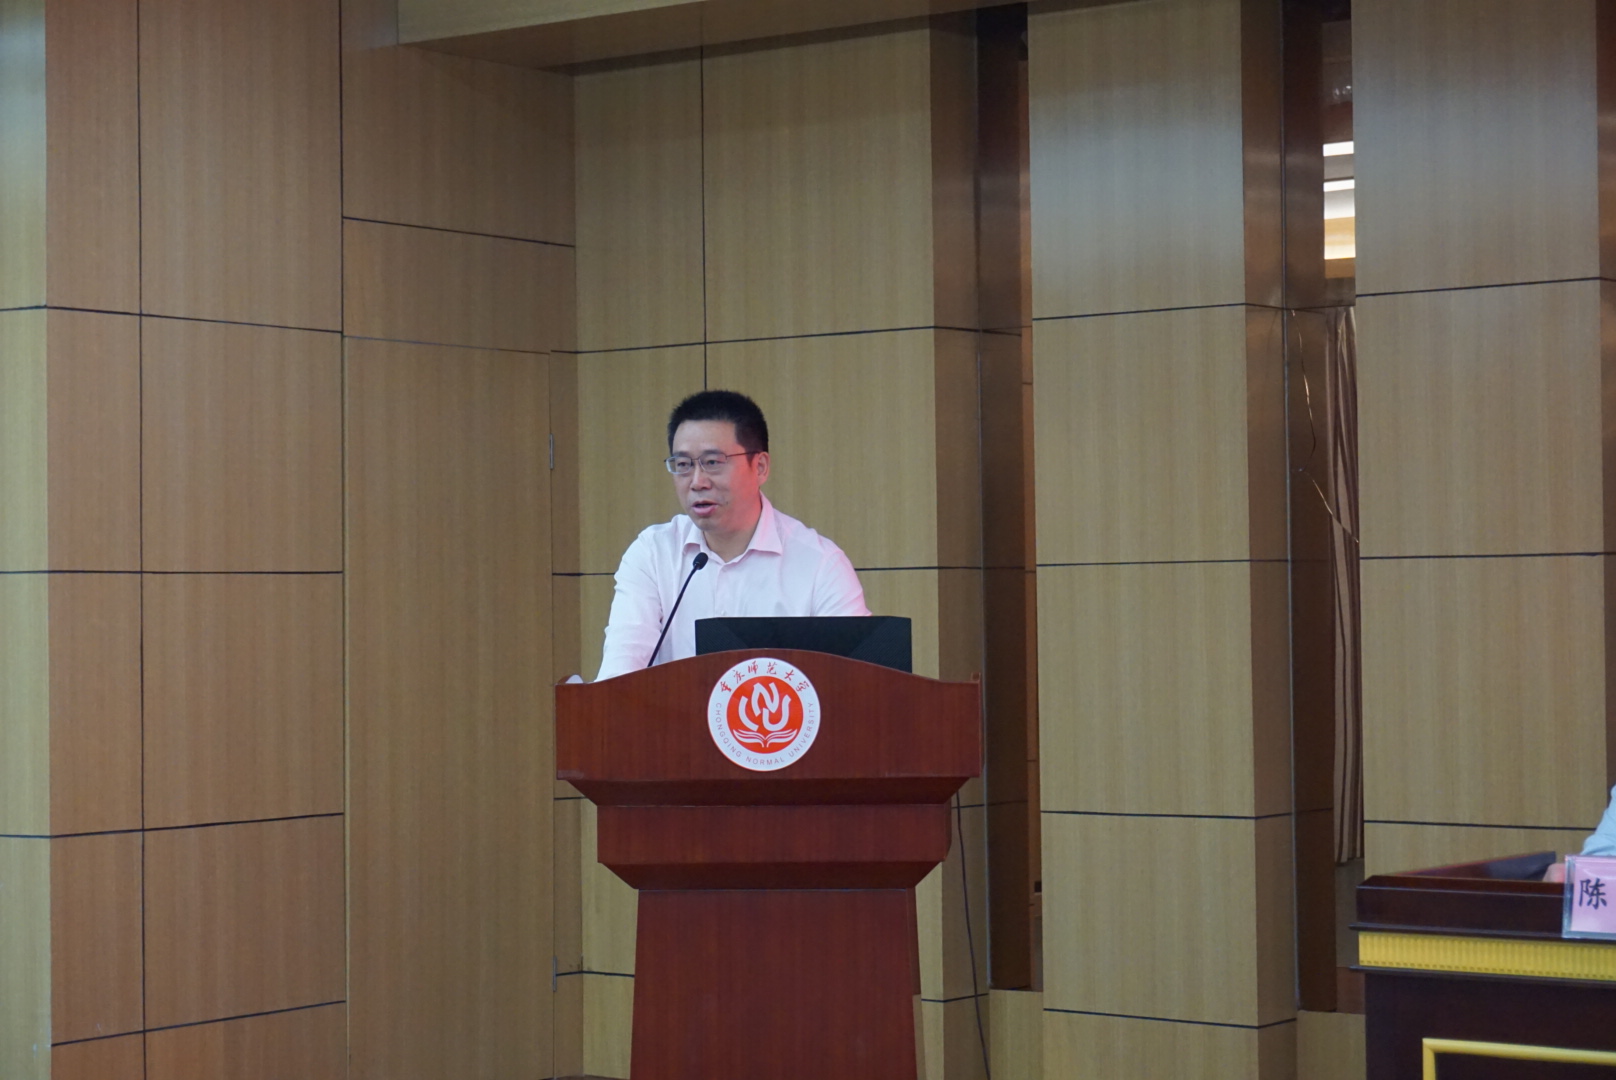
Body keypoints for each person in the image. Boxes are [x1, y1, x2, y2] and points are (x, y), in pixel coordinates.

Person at [594, 389, 868, 680]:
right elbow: (619, 671)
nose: (697, 482)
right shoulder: (653, 553)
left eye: (713, 462)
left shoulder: (820, 565)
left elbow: (857, 685)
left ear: (760, 467)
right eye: (683, 465)